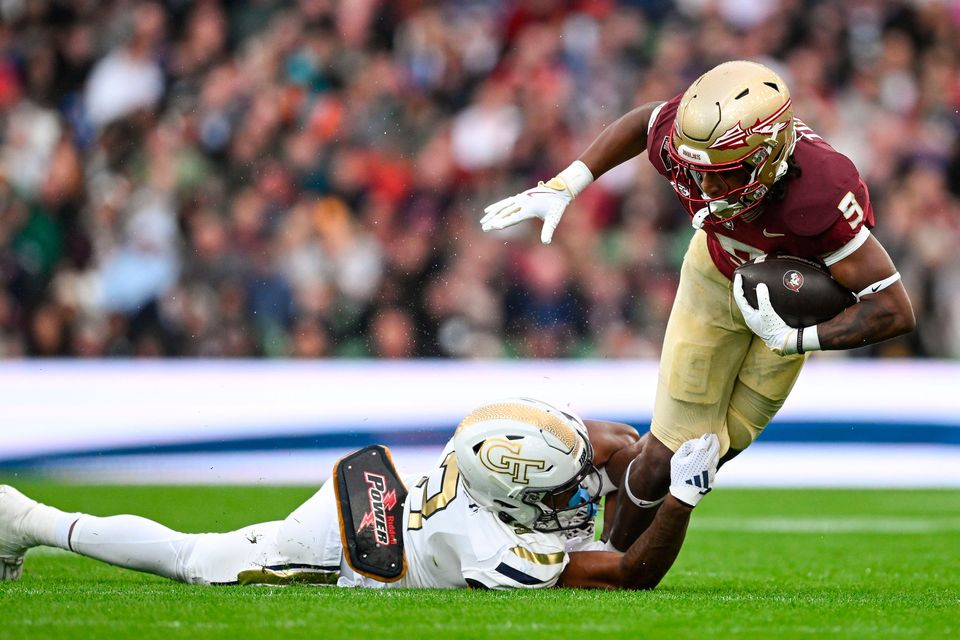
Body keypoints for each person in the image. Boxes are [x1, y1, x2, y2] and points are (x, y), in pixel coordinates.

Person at [480, 60, 915, 551]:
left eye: (724, 175)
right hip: (713, 278)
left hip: (790, 313)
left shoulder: (821, 190)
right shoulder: (690, 146)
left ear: (768, 156)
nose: (706, 188)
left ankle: (608, 483)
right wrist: (569, 182)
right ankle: (608, 558)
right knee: (672, 454)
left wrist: (796, 340)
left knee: (710, 453)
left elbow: (894, 308)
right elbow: (644, 122)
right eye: (697, 172)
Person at [0, 397, 718, 590]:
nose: (576, 495)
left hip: (395, 497)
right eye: (560, 490)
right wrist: (679, 497)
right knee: (195, 559)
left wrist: (656, 456)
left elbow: (616, 446)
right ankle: (28, 518)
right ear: (516, 496)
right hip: (355, 545)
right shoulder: (502, 550)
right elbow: (628, 573)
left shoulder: (505, 442)